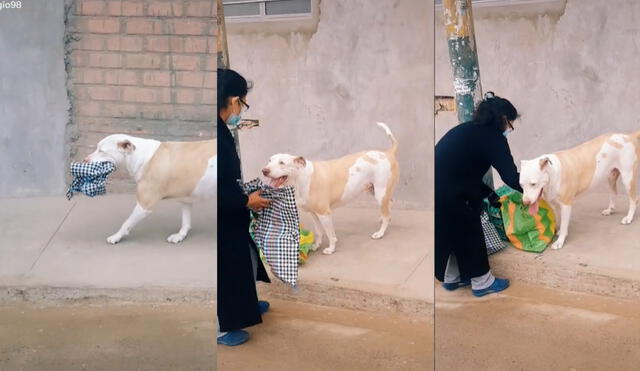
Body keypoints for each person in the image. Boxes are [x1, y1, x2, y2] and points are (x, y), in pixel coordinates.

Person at [434, 92, 523, 297]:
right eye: (510, 122)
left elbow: (463, 169)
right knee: (469, 232)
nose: (510, 127)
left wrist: (489, 194)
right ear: (502, 119)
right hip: (452, 191)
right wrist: (535, 190)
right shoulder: (493, 138)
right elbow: (510, 177)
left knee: (450, 233)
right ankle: (483, 282)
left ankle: (452, 279)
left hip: (438, 187)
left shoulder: (466, 130)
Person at [217, 68, 272, 346]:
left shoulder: (222, 132)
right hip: (218, 217)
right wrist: (245, 201)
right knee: (225, 269)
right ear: (233, 100)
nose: (241, 109)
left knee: (247, 257)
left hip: (229, 213)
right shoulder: (214, 137)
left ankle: (245, 306)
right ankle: (222, 327)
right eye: (242, 103)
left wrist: (245, 195)